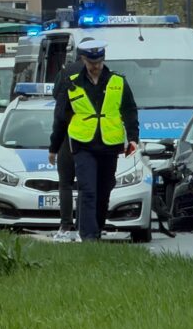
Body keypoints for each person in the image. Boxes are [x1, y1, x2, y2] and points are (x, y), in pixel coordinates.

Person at [49, 40, 139, 242]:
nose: (95, 66)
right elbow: (61, 118)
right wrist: (54, 148)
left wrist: (133, 138)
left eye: (98, 61)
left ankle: (96, 229)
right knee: (87, 189)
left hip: (110, 145)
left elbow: (130, 111)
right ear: (83, 59)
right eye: (91, 62)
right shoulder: (71, 83)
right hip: (83, 145)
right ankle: (89, 237)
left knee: (104, 190)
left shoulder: (118, 82)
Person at [48, 37, 94, 243]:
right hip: (96, 138)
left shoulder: (66, 73)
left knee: (65, 182)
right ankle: (88, 228)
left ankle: (66, 226)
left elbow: (58, 106)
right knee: (87, 184)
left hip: (69, 136)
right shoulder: (108, 74)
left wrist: (54, 146)